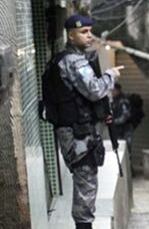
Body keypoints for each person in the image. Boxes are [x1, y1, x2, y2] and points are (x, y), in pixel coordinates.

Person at [50, 14, 123, 229]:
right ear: (71, 35)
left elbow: (78, 98)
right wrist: (110, 76)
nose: (89, 36)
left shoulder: (64, 58)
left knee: (86, 184)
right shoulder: (74, 61)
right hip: (77, 135)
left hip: (76, 131)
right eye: (84, 32)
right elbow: (93, 90)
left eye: (90, 31)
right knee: (85, 187)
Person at [111, 83, 133, 150]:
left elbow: (125, 117)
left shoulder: (123, 101)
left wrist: (113, 122)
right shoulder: (114, 100)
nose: (112, 92)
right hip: (117, 131)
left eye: (113, 90)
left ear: (117, 90)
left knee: (126, 150)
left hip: (125, 131)